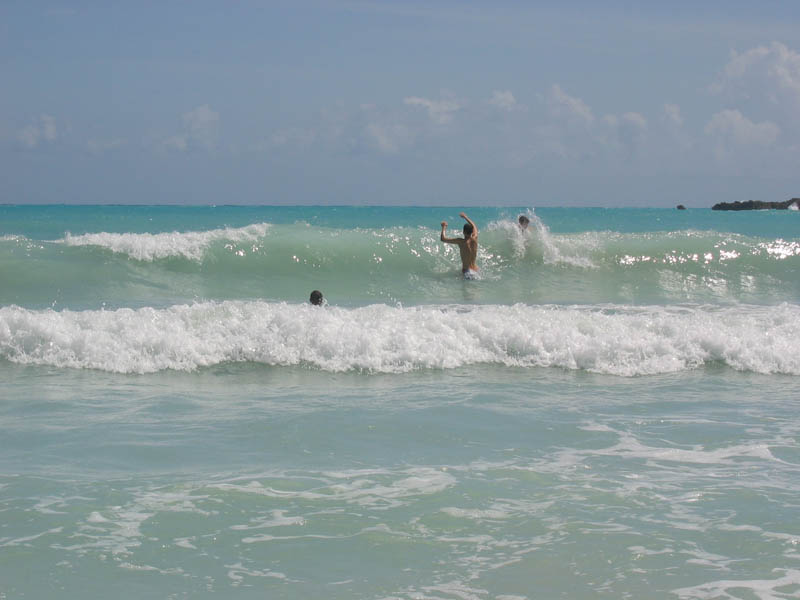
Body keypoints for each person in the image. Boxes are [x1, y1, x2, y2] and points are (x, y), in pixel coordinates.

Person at [440, 212, 479, 279]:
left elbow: (443, 239)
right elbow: (474, 226)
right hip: (476, 270)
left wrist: (444, 227)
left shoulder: (461, 241)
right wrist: (466, 217)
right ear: (472, 232)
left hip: (467, 272)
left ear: (463, 232)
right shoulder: (475, 238)